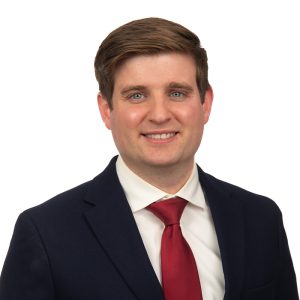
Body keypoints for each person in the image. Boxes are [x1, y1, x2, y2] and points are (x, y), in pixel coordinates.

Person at [0, 17, 298, 300]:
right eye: (137, 96)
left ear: (205, 103)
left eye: (177, 93)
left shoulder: (261, 219)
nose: (159, 114)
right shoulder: (46, 233)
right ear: (106, 109)